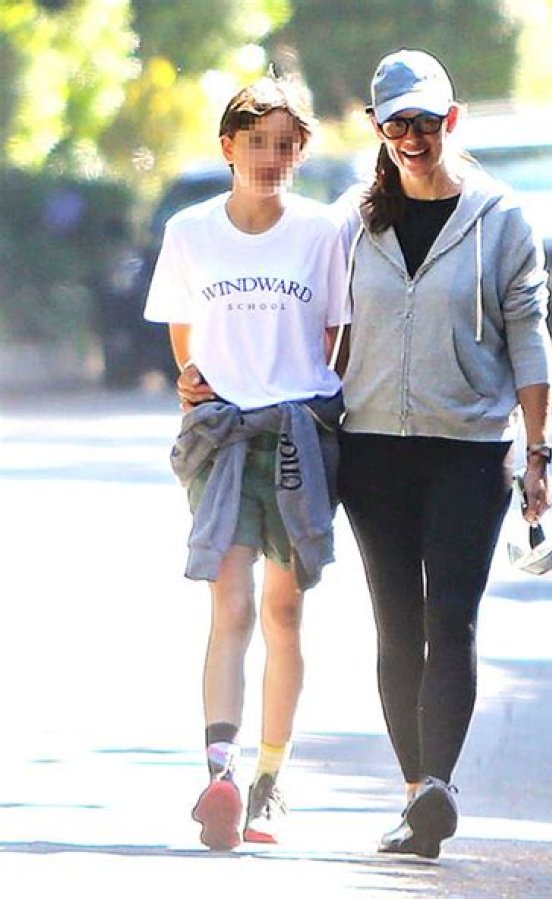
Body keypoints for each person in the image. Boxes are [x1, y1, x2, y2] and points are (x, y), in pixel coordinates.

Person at [334, 48, 552, 859]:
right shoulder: (352, 221)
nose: (414, 138)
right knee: (395, 623)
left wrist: (538, 450)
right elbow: (316, 323)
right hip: (372, 451)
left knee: (450, 616)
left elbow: (529, 336)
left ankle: (438, 781)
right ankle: (416, 796)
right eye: (398, 125)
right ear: (377, 128)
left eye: (427, 122)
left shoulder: (502, 218)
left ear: (451, 120)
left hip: (470, 449)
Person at [144, 71, 348, 850]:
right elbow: (182, 326)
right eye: (256, 142)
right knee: (229, 606)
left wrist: (305, 400)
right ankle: (219, 776)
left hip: (298, 440)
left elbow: (335, 335)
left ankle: (269, 781)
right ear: (228, 146)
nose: (270, 157)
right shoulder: (190, 231)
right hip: (223, 439)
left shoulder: (322, 233)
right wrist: (194, 378)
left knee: (284, 612)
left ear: (300, 152)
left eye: (285, 145)